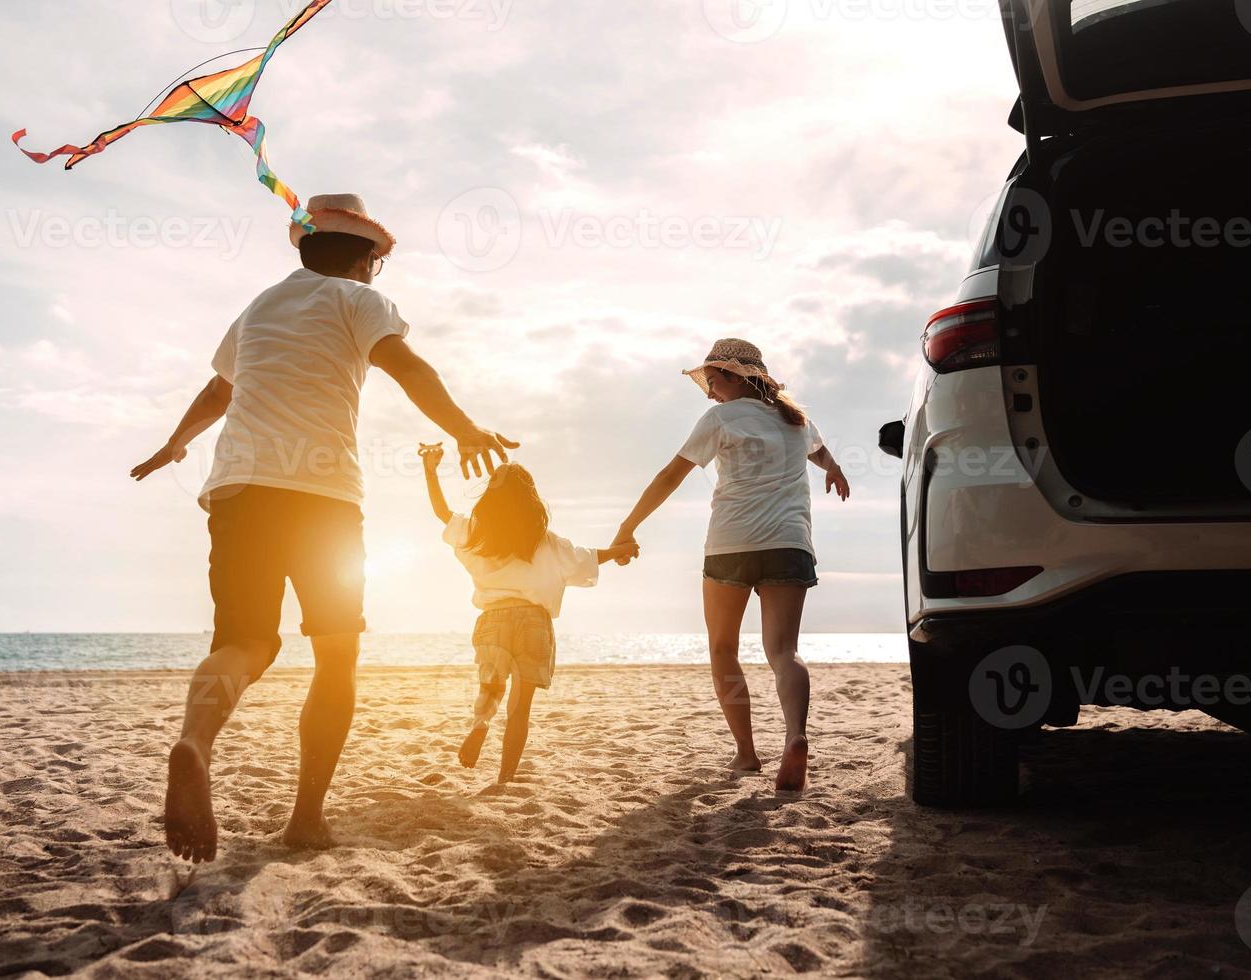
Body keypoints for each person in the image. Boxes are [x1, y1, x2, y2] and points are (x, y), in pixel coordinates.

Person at [130, 195, 516, 861]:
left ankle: (195, 742)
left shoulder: (259, 308)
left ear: (305, 249)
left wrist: (175, 443)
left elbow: (219, 391)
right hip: (324, 496)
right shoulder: (360, 301)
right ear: (366, 259)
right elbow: (409, 368)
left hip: (239, 489)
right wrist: (465, 430)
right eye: (378, 262)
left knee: (246, 639)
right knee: (337, 655)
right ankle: (306, 817)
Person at [612, 339, 850, 792]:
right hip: (789, 544)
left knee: (723, 649)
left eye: (714, 381)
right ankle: (796, 736)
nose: (709, 393)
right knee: (784, 652)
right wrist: (834, 468)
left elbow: (670, 476)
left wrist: (628, 526)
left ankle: (745, 754)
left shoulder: (721, 418)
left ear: (738, 377)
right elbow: (816, 449)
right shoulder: (795, 419)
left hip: (731, 546)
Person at [418, 443, 639, 784]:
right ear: (530, 497)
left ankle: (480, 725)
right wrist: (621, 550)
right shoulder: (543, 539)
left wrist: (430, 471)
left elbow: (441, 512)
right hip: (534, 622)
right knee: (520, 709)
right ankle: (504, 778)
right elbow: (586, 557)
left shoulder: (477, 531)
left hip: (494, 619)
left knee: (491, 687)